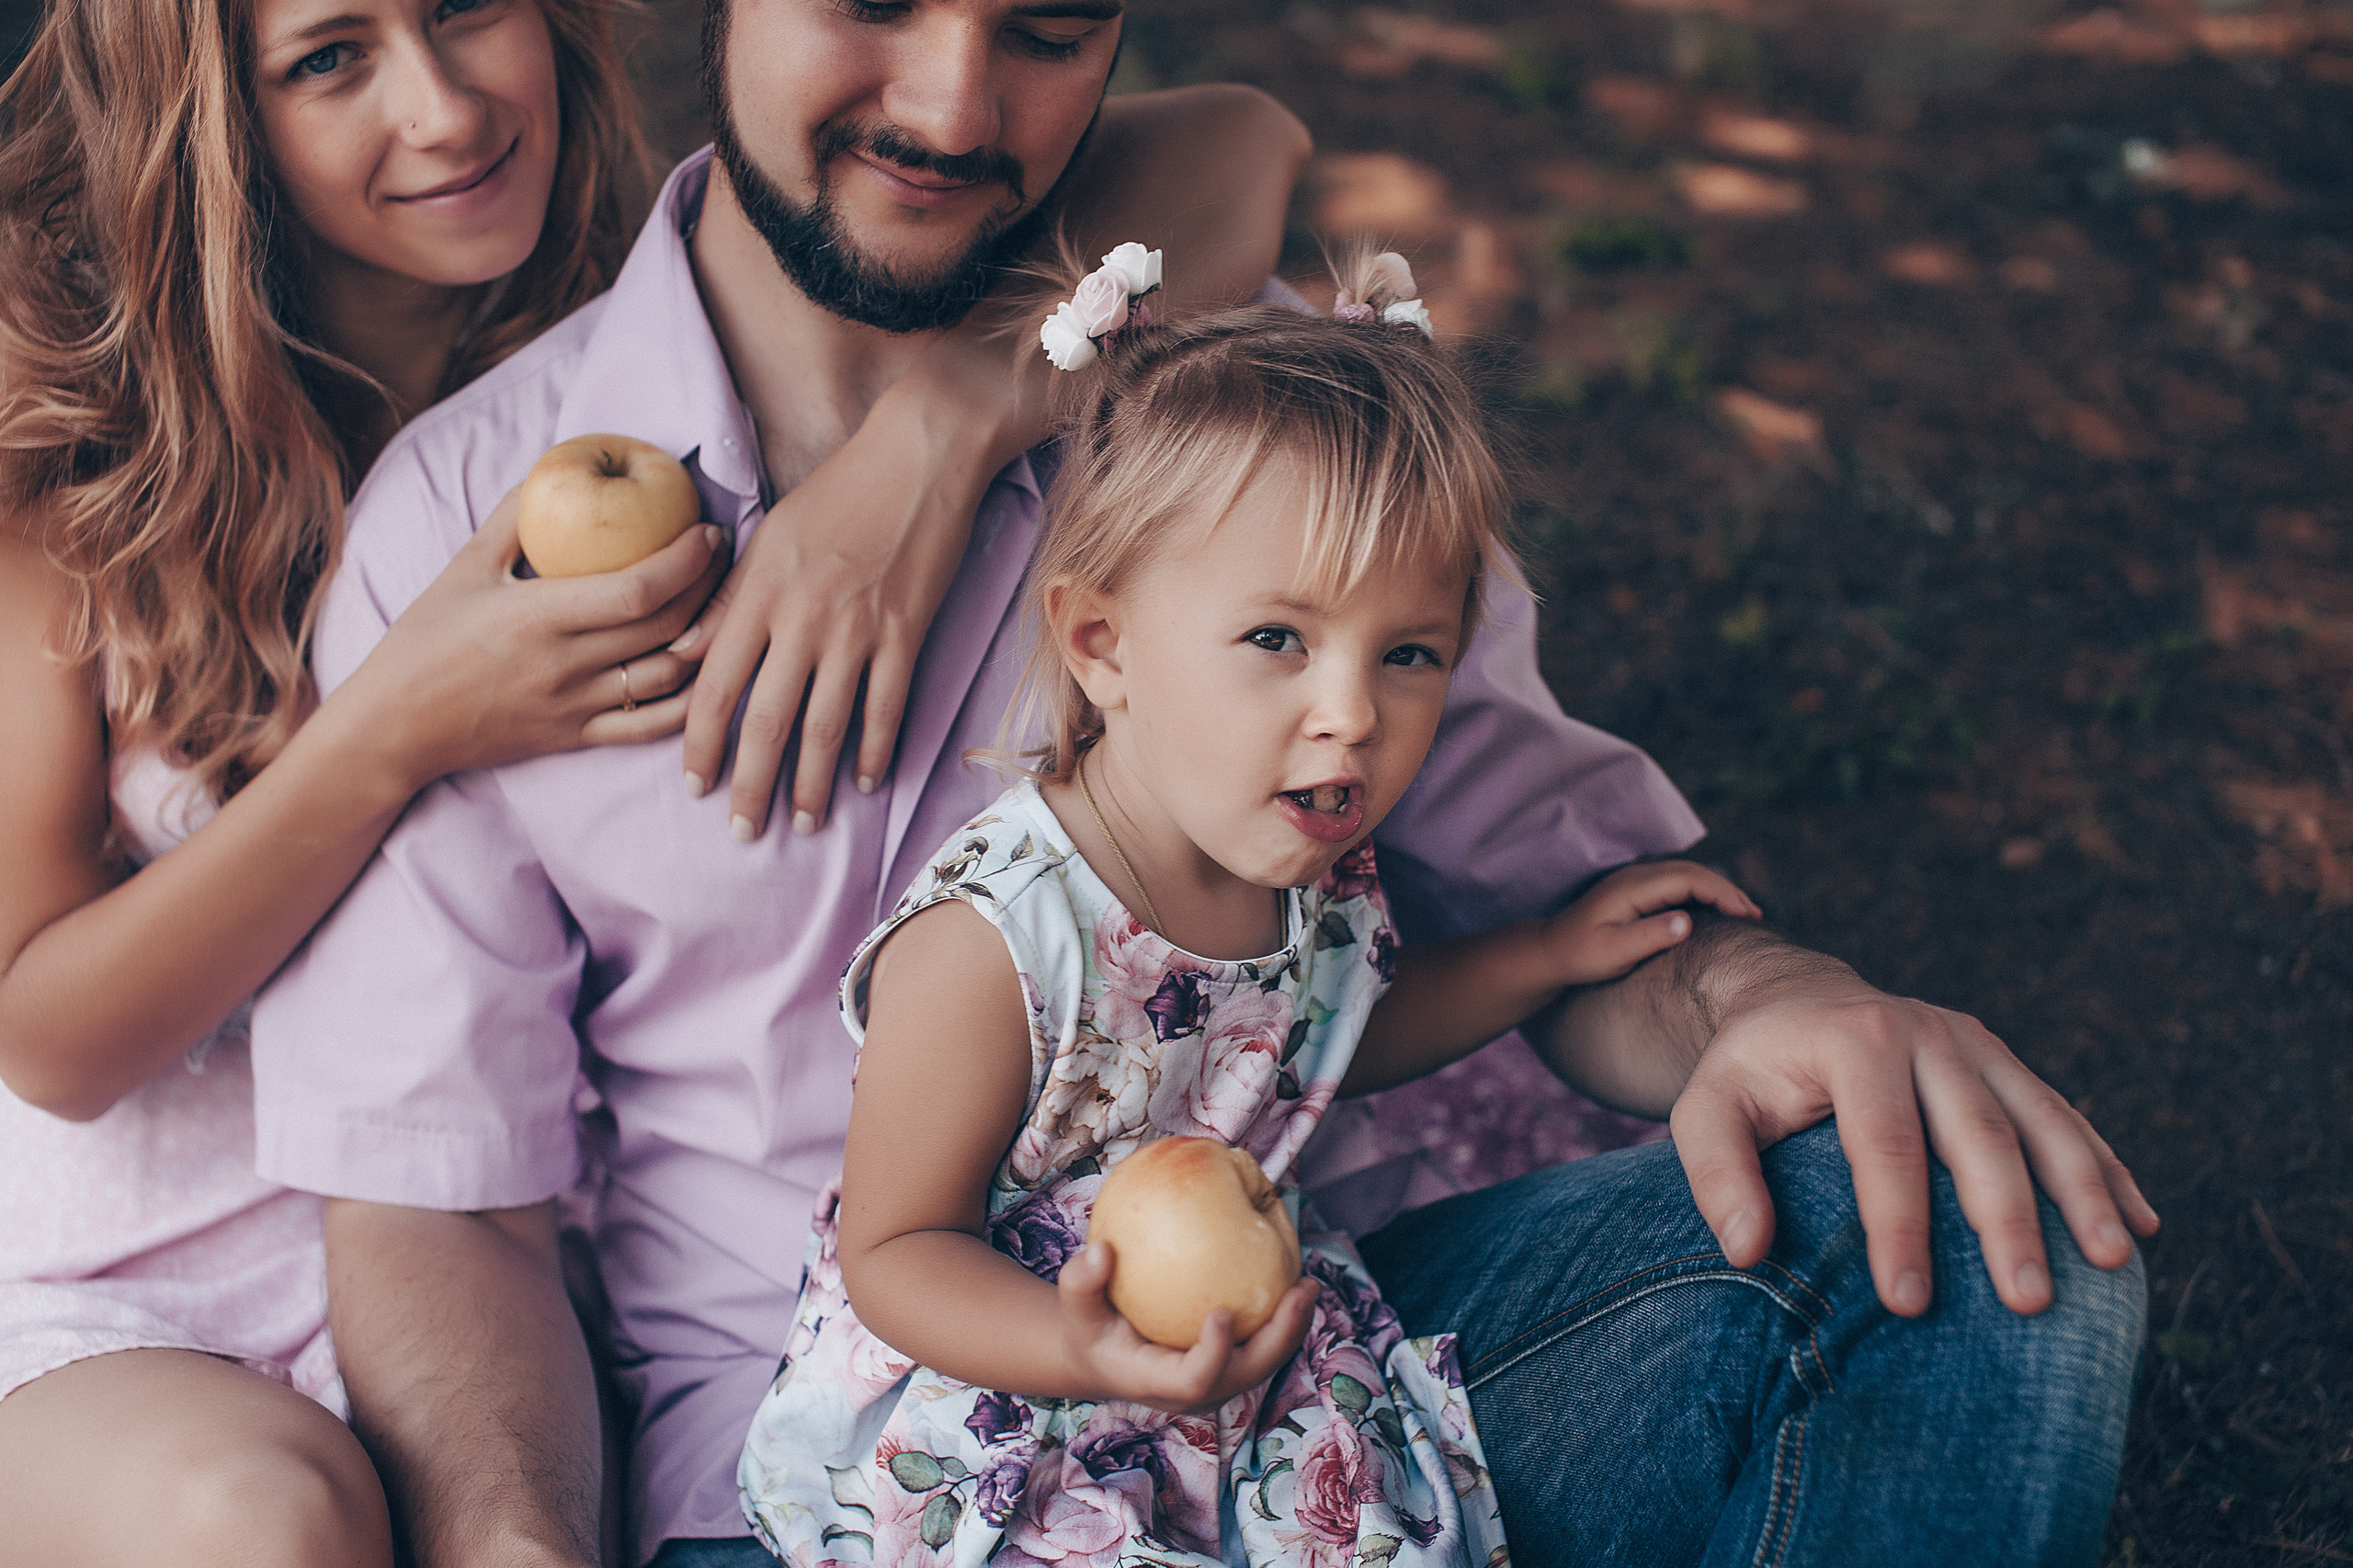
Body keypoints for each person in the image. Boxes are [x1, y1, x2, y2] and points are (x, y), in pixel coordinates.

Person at [250, 2, 2156, 1564]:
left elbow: (1567, 920)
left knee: (1978, 1248)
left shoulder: (1271, 432)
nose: (949, 104)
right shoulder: (467, 530)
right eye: (871, 5)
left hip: (1322, 1372)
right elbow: (441, 1201)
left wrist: (1772, 998)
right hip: (847, 1479)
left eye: (1046, 28)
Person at [0, 0, 1311, 1560]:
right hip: (170, 1272)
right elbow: (50, 1038)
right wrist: (395, 723)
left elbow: (1245, 145)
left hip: (496, 1245)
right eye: (329, 59)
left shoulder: (645, 328)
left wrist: (948, 424)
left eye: (465, 11)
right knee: (275, 1521)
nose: (442, 109)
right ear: (215, 129)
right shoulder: (97, 476)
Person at [735, 252, 1765, 1566]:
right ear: (1103, 644)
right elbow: (895, 1246)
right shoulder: (998, 939)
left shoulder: (1310, 870)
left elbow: (1318, 1043)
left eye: (1409, 654)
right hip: (996, 1390)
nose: (1353, 713)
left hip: (1230, 1353)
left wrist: (1543, 955)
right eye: (1278, 639)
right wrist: (1076, 1342)